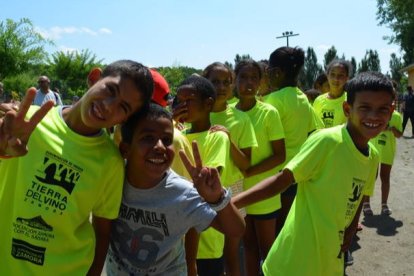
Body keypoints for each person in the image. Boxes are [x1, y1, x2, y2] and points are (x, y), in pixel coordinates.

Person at [233, 71, 395, 275]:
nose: (373, 116)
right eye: (364, 108)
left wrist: (352, 227)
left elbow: (359, 195)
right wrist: (231, 203)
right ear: (347, 108)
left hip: (329, 260)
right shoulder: (327, 141)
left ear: (391, 111)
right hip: (293, 260)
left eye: (382, 110)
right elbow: (281, 180)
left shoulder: (373, 156)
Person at [0, 60, 154, 275]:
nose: (109, 106)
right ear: (94, 78)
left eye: (123, 107)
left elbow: (102, 231)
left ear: (126, 119)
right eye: (110, 90)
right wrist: (3, 148)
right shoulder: (25, 121)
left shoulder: (110, 162)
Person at [105, 103, 245, 275]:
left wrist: (218, 198)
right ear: (126, 149)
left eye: (167, 140)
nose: (159, 146)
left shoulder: (182, 193)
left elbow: (236, 229)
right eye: (148, 138)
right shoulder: (112, 179)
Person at [174, 75, 232, 276]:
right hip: (177, 238)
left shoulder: (217, 137)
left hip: (206, 237)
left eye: (188, 101)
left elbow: (207, 187)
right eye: (179, 101)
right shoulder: (176, 134)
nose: (182, 105)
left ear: (208, 104)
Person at [203, 61, 257, 275]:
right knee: (204, 251)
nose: (222, 87)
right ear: (204, 82)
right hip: (202, 190)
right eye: (215, 81)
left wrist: (227, 137)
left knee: (231, 251)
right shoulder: (196, 113)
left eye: (226, 82)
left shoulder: (241, 119)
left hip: (232, 189)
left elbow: (246, 165)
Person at [234, 59, 285, 276]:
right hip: (237, 194)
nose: (248, 82)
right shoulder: (227, 112)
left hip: (264, 194)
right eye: (243, 77)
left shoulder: (269, 113)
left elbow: (280, 155)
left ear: (260, 82)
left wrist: (250, 171)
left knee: (269, 250)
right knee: (248, 247)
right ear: (235, 79)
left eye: (253, 78)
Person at [263, 46, 320, 237]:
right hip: (297, 171)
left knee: (272, 227)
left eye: (268, 71)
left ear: (276, 73)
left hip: (275, 173)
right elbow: (313, 131)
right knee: (287, 224)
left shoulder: (272, 101)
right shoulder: (303, 98)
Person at [363, 109, 403, 216]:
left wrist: (391, 129)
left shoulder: (397, 116)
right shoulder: (375, 111)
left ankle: (384, 204)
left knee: (385, 177)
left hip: (387, 151)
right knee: (371, 176)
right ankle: (366, 203)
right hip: (373, 148)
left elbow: (399, 134)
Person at [313, 59, 352, 128]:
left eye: (341, 75)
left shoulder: (351, 100)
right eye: (332, 74)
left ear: (347, 78)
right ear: (327, 76)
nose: (336, 79)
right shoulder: (318, 101)